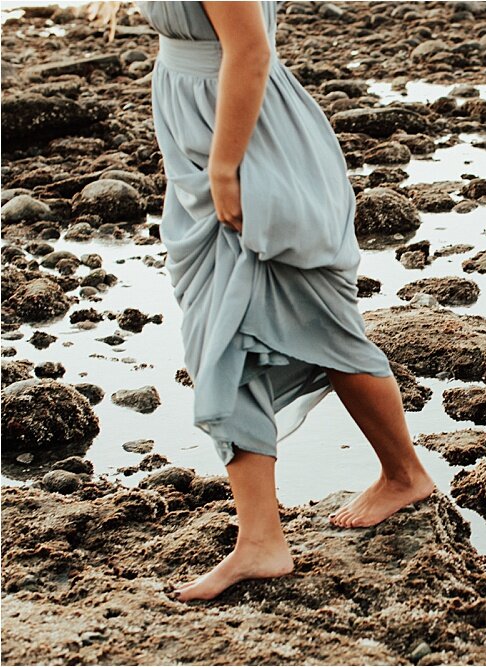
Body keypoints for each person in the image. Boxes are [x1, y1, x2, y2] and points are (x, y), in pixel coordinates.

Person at [135, 1, 435, 602]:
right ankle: (260, 541)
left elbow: (249, 48)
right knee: (218, 334)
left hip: (247, 143)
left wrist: (224, 166)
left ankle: (405, 475)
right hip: (195, 132)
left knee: (319, 323)